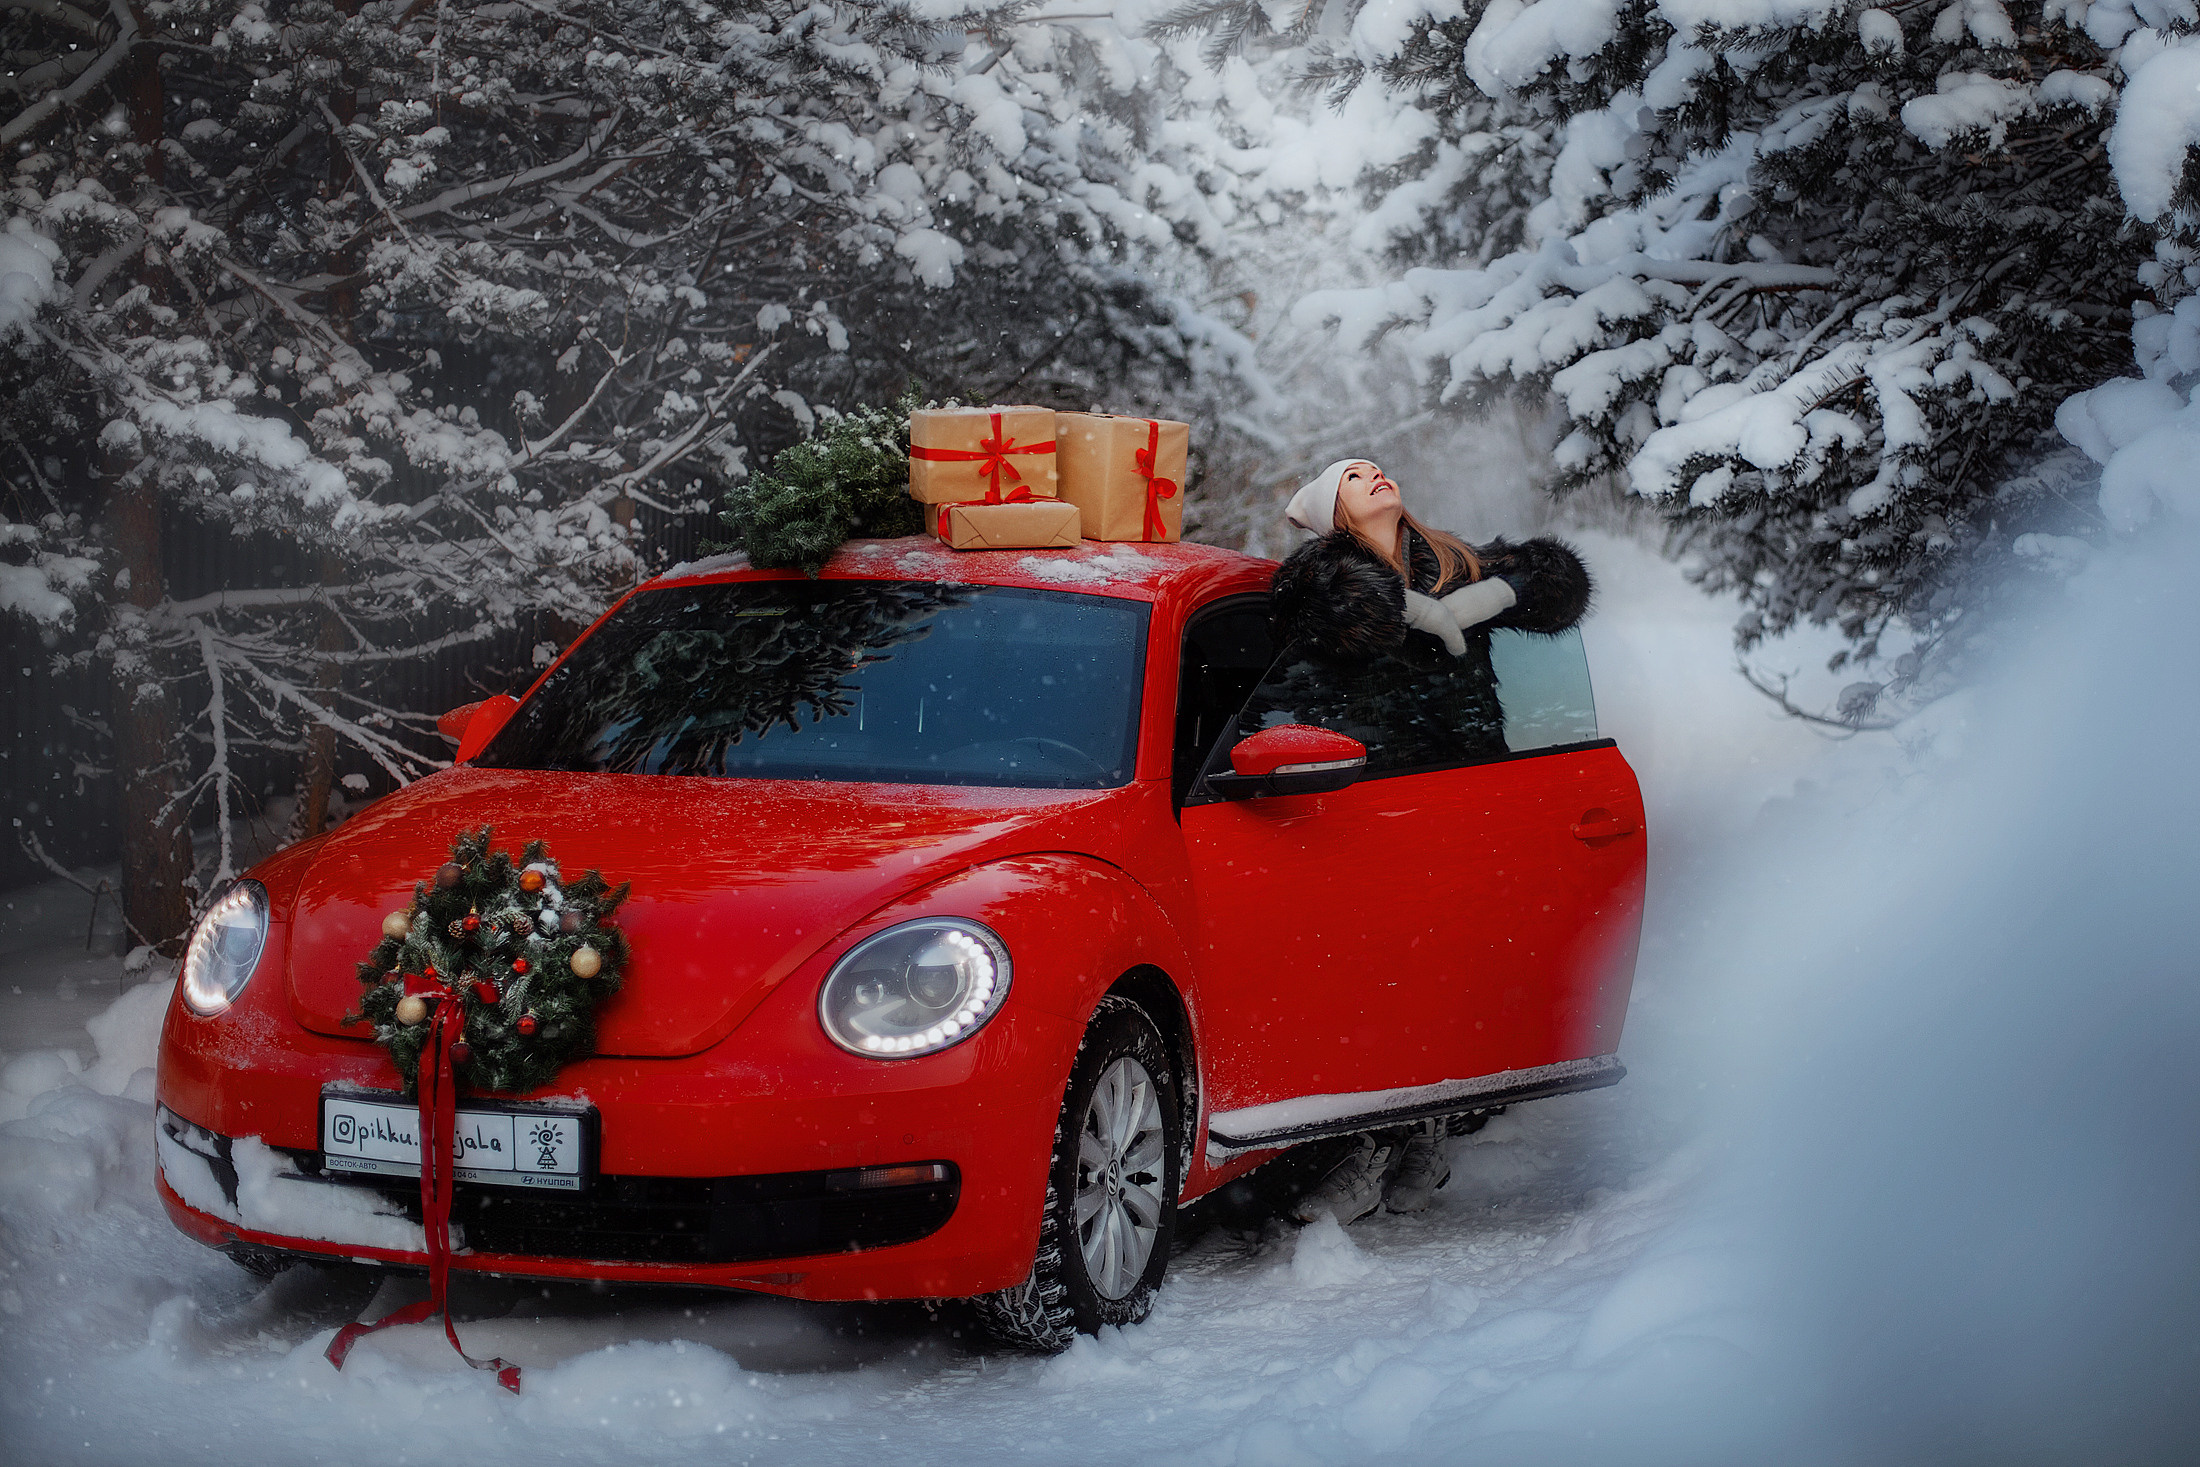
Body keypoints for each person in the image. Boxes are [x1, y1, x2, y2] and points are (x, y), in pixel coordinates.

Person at [1267, 457, 1593, 1223]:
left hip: (1470, 790)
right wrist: (1406, 611)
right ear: (1332, 511)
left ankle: (1429, 1131)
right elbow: (1319, 613)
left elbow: (1558, 582)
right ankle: (1369, 1145)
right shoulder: (1324, 579)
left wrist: (1495, 592)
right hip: (1375, 800)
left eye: (1377, 467)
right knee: (1382, 975)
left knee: (1453, 966)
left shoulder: (1451, 560)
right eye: (1354, 476)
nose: (1375, 475)